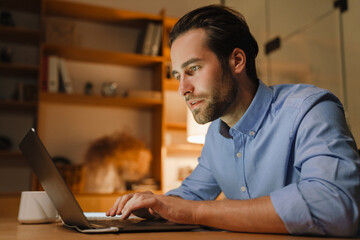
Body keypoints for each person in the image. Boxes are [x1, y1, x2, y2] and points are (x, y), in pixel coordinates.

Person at [107, 5, 360, 236]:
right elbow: (190, 196)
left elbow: (335, 205)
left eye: (193, 69)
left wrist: (194, 212)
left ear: (237, 60)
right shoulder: (216, 135)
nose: (182, 88)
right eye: (177, 75)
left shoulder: (310, 109)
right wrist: (152, 205)